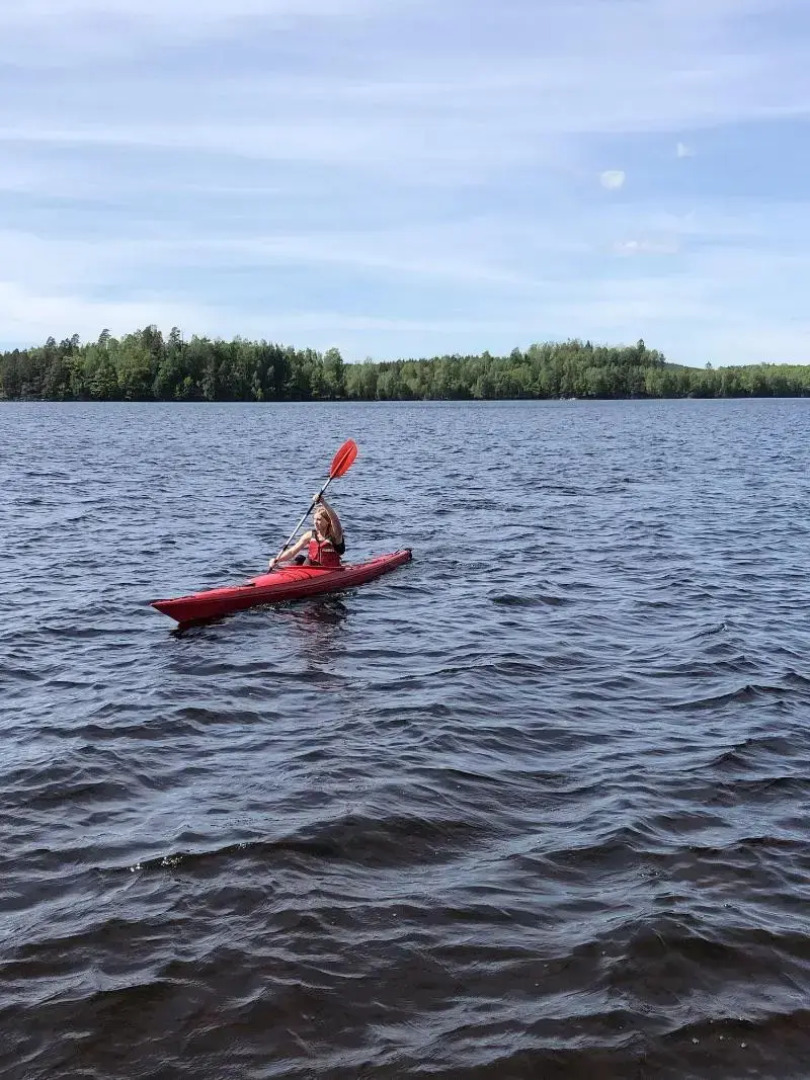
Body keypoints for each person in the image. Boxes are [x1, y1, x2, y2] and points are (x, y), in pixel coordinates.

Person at [268, 495, 345, 571]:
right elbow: (292, 552)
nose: (315, 522)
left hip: (330, 571)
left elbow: (334, 520)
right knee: (300, 558)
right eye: (314, 519)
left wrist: (323, 502)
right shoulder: (309, 535)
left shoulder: (335, 535)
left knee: (307, 560)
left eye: (319, 519)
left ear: (328, 522)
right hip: (311, 570)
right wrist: (277, 560)